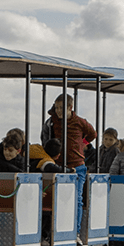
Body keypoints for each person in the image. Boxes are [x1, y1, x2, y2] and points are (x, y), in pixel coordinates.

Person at [46, 94, 95, 230]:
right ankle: (59, 229)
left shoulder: (80, 122)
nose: (58, 111)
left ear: (70, 108)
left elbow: (93, 134)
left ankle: (76, 231)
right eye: (56, 108)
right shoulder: (54, 121)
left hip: (77, 165)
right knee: (58, 198)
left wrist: (82, 144)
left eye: (62, 108)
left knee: (77, 199)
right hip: (60, 165)